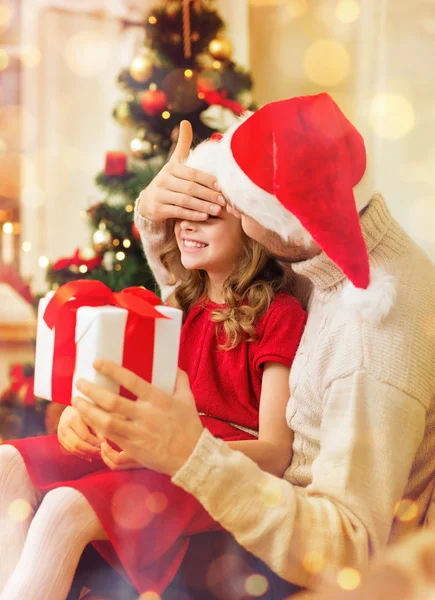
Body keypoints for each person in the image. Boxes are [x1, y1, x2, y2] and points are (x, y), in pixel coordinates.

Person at [71, 92, 435, 595]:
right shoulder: (317, 249)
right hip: (257, 510)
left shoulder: (372, 341)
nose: (226, 207)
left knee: (91, 551)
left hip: (295, 558)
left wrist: (191, 454)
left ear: (276, 222)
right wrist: (155, 216)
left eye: (236, 203)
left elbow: (347, 550)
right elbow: (208, 294)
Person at [0, 148, 306, 600]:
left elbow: (277, 454)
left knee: (66, 508)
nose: (185, 226)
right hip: (153, 448)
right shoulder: (176, 307)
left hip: (218, 467)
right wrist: (77, 418)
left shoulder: (279, 314)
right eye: (182, 215)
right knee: (7, 463)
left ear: (252, 225)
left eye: (206, 216)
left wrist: (175, 450)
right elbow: (129, 397)